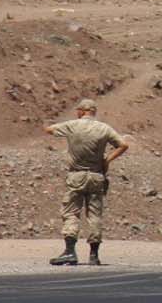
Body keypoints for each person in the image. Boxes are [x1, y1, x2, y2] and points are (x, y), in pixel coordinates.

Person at [43, 99, 129, 267]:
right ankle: (94, 255)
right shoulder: (104, 128)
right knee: (95, 215)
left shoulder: (73, 125)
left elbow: (49, 130)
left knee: (71, 213)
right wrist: (107, 160)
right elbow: (123, 145)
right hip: (97, 176)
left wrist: (46, 121)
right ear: (93, 112)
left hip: (76, 176)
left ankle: (69, 252)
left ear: (81, 111)